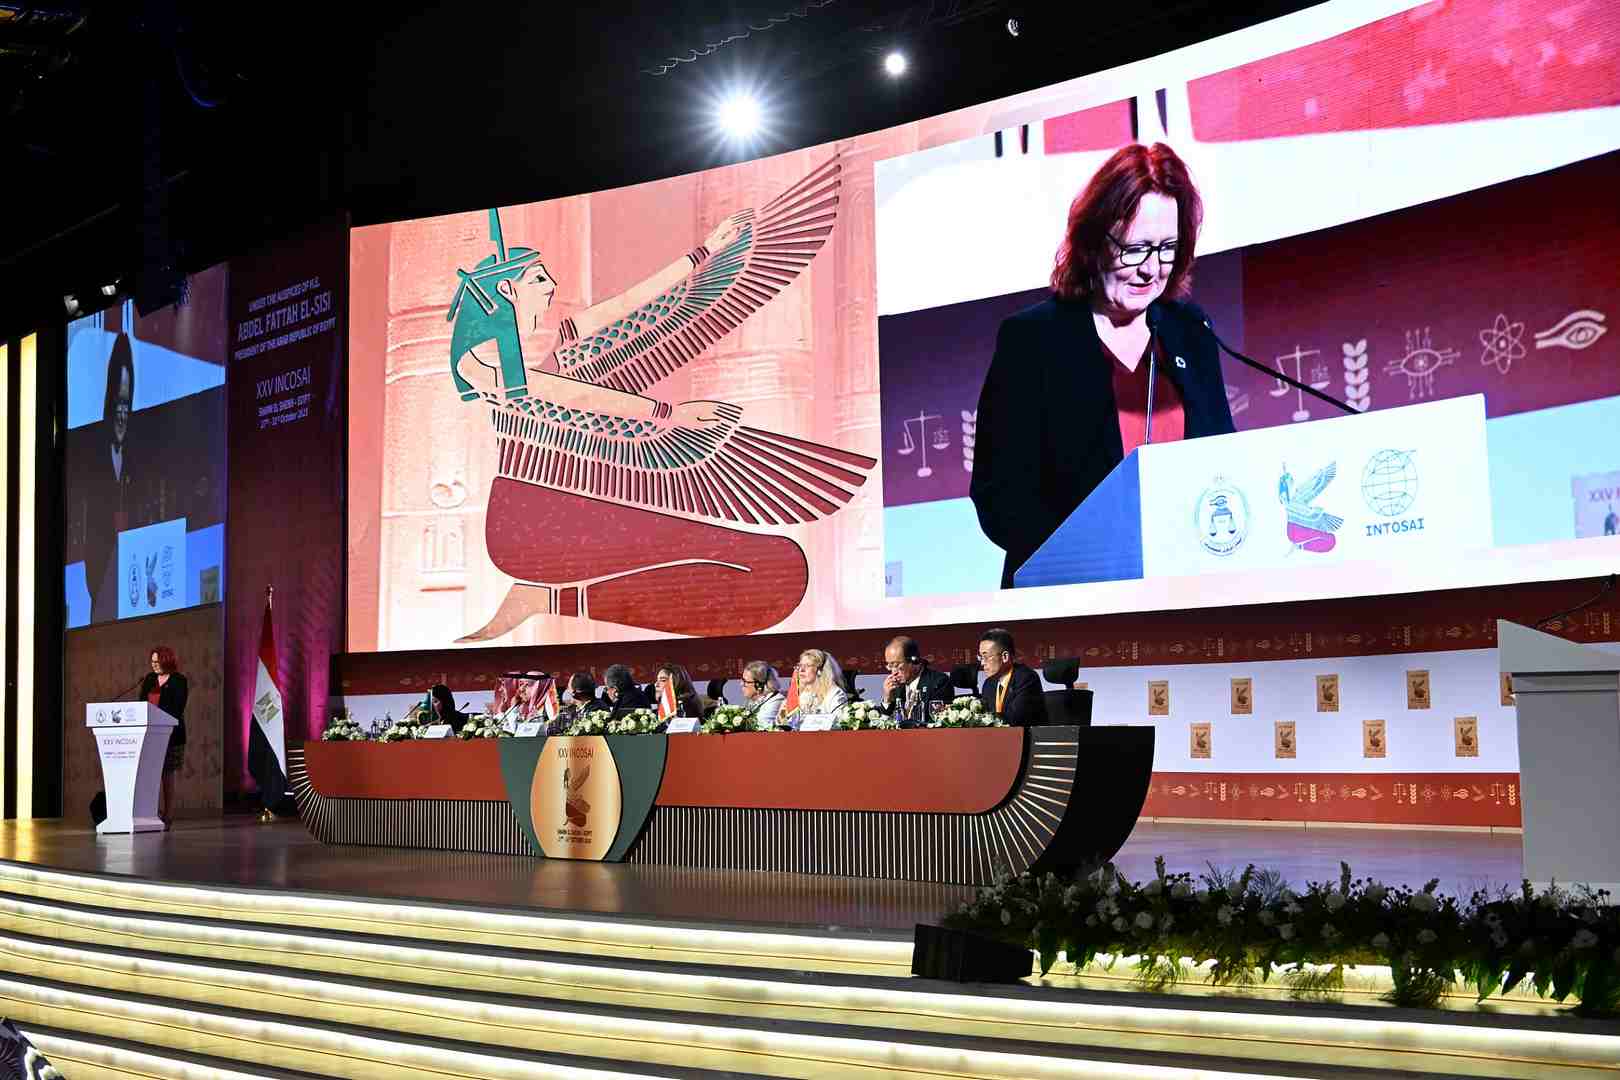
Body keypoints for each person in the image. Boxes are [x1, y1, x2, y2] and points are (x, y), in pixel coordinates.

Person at [970, 143, 1235, 588]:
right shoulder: (1032, 339)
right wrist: (1098, 555)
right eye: (1136, 249)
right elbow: (999, 498)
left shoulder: (1191, 330)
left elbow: (1223, 464)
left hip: (1186, 589)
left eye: (1167, 248)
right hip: (1073, 596)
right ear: (1095, 242)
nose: (1151, 268)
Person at [86, 334, 139, 622]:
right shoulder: (94, 461)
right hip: (103, 598)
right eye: (118, 403)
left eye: (126, 404)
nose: (122, 415)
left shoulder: (137, 460)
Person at [137, 645, 188, 827]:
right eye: (152, 662)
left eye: (157, 662)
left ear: (167, 661)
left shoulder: (179, 680)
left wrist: (158, 716)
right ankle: (149, 811)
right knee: (149, 773)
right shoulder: (149, 679)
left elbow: (177, 707)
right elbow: (141, 704)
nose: (154, 665)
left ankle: (168, 814)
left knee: (167, 773)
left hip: (171, 736)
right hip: (148, 735)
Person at [878, 635, 954, 728]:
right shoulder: (895, 687)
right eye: (890, 665)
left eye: (897, 665)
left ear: (914, 661)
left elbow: (939, 723)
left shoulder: (938, 682)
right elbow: (884, 724)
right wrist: (887, 699)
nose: (893, 672)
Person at [976, 628, 1044, 728]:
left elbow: (1015, 720)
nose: (982, 663)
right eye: (980, 657)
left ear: (1005, 657)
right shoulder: (988, 684)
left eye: (986, 657)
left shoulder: (1026, 678)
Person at [785, 649, 847, 729]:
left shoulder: (834, 693)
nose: (801, 670)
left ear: (820, 670)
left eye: (807, 665)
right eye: (800, 665)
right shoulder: (799, 695)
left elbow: (839, 724)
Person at [738, 662, 785, 727]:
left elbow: (761, 726)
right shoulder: (752, 701)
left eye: (745, 681)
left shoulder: (776, 700)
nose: (741, 684)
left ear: (759, 685)